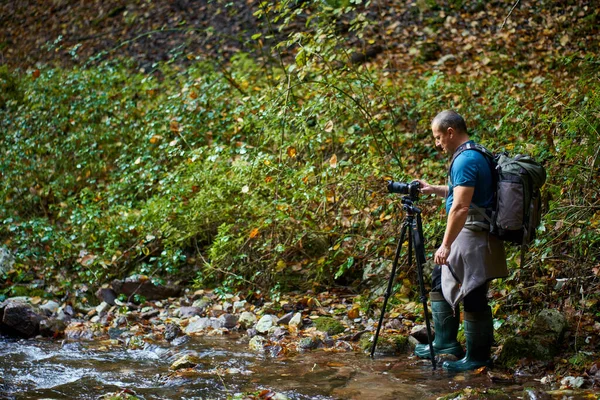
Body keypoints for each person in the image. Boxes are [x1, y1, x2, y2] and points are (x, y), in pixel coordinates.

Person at [413, 110, 508, 371]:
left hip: (471, 235)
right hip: (475, 234)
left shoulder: (465, 160)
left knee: (474, 292)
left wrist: (445, 245)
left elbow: (461, 207)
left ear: (451, 132)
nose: (437, 142)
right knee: (439, 277)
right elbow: (463, 191)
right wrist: (435, 189)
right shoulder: (474, 152)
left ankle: (477, 357)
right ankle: (445, 343)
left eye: (438, 136)